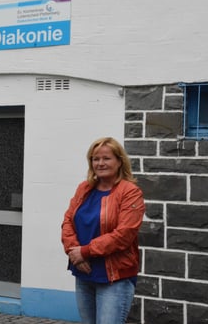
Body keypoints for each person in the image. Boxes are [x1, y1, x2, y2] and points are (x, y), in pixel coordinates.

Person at [61, 137, 145, 324]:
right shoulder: (84, 188)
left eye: (106, 158)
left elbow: (124, 235)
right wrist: (74, 251)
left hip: (114, 278)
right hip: (84, 273)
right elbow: (68, 221)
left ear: (119, 161)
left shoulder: (130, 192)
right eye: (95, 158)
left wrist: (84, 252)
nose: (100, 163)